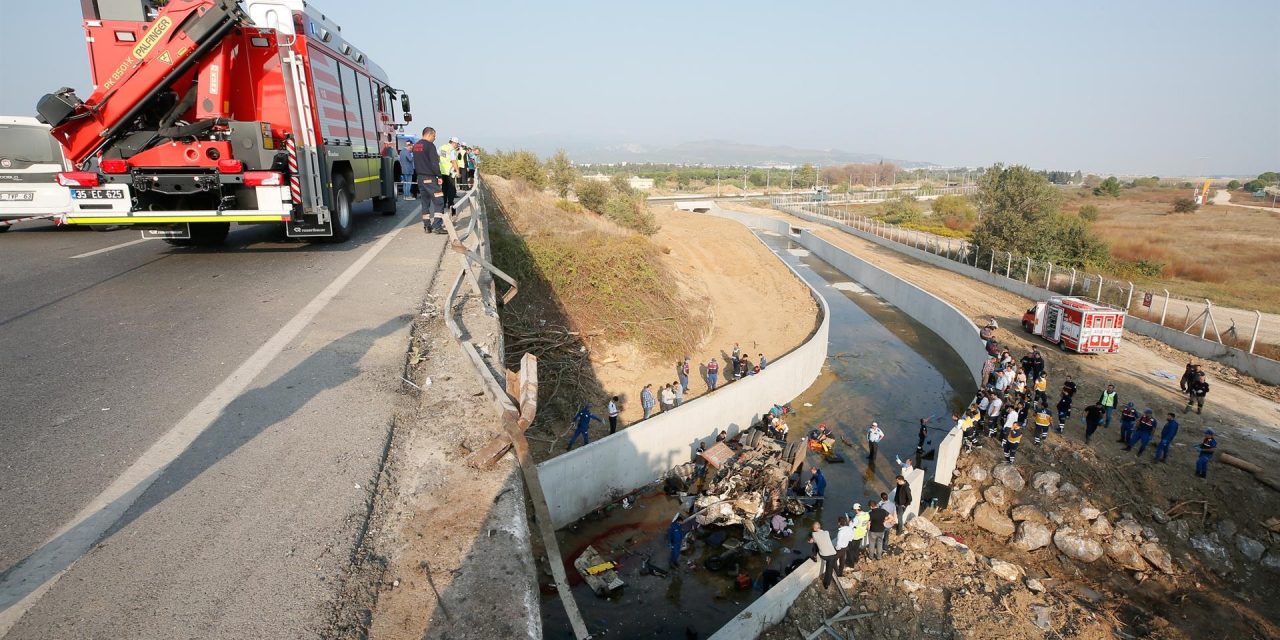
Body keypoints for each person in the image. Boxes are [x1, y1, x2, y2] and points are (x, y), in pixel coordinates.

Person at [411, 128, 445, 233]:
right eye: (434, 136)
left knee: (425, 202)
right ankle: (437, 226)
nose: (435, 138)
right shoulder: (430, 146)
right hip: (430, 178)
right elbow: (434, 163)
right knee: (439, 201)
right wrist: (439, 176)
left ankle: (427, 226)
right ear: (430, 134)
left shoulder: (416, 146)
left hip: (420, 178)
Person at [808, 521, 839, 589]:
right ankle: (837, 572)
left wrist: (811, 541)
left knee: (829, 570)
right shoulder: (826, 532)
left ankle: (826, 584)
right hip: (834, 553)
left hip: (825, 556)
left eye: (813, 528)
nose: (813, 529)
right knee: (831, 566)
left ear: (815, 528)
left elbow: (812, 541)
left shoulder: (814, 534)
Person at [438, 136, 460, 209]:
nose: (457, 145)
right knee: (452, 188)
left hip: (442, 170)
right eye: (457, 144)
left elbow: (438, 156)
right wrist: (458, 171)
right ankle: (450, 203)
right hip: (450, 171)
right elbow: (453, 161)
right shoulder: (452, 150)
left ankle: (443, 203)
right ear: (453, 143)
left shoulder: (442, 147)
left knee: (444, 188)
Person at [848, 504, 869, 571]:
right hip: (862, 534)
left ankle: (851, 564)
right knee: (856, 548)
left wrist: (849, 520)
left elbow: (850, 526)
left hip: (855, 535)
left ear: (856, 509)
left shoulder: (857, 517)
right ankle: (856, 560)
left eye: (854, 510)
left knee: (851, 550)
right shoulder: (866, 514)